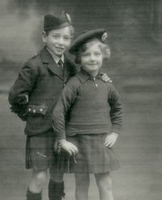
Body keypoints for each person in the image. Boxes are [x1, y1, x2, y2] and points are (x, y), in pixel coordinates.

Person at [8, 11, 112, 200]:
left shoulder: (70, 67)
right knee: (40, 177)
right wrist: (32, 116)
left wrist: (101, 77)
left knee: (57, 175)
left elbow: (85, 79)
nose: (60, 42)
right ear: (44, 36)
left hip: (62, 132)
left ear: (70, 40)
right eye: (55, 36)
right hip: (40, 131)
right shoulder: (34, 65)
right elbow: (15, 96)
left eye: (66, 38)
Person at [52, 29, 123, 200]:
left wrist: (115, 132)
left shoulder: (106, 84)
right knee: (82, 184)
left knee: (105, 184)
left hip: (100, 142)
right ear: (79, 59)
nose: (92, 58)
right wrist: (62, 140)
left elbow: (117, 108)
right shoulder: (74, 84)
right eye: (86, 55)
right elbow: (58, 111)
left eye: (97, 54)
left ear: (103, 57)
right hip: (78, 142)